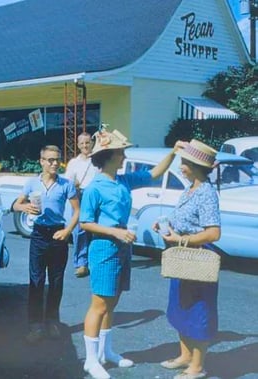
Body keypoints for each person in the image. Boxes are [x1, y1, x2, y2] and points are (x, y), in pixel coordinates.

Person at [79, 127, 183, 379]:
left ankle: (107, 352)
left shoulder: (123, 180)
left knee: (112, 302)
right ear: (109, 155)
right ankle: (91, 361)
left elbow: (154, 174)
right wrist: (116, 233)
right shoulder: (95, 187)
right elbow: (85, 223)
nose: (125, 156)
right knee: (99, 304)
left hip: (122, 246)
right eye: (121, 152)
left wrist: (173, 152)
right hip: (104, 247)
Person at [156, 139, 221, 379]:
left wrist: (181, 240)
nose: (181, 166)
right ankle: (185, 356)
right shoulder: (190, 188)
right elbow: (185, 220)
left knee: (198, 310)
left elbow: (214, 232)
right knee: (180, 306)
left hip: (197, 256)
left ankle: (197, 366)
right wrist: (167, 226)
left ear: (195, 166)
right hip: (183, 256)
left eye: (184, 162)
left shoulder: (206, 192)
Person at [13, 145, 79, 341]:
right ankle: (35, 325)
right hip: (39, 235)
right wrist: (25, 208)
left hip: (58, 234)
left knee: (56, 282)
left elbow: (77, 211)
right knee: (36, 281)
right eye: (50, 160)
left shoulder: (66, 184)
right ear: (41, 161)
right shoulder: (32, 183)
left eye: (57, 160)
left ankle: (52, 321)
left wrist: (67, 231)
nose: (55, 163)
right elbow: (16, 204)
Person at [64, 132, 95, 278]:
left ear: (92, 143)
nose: (85, 146)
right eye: (82, 143)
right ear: (78, 145)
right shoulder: (73, 163)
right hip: (79, 195)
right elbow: (67, 181)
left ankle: (93, 261)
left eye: (87, 142)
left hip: (95, 195)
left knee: (96, 228)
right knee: (80, 230)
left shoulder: (97, 160)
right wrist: (73, 184)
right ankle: (81, 263)